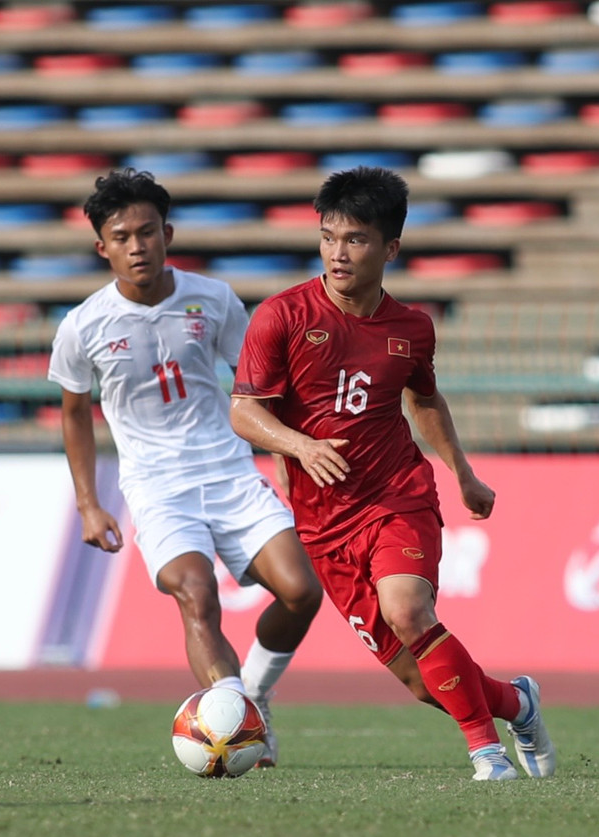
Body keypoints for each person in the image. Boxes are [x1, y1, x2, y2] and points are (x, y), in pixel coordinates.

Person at [229, 166, 555, 781]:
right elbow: (245, 412)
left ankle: (487, 756)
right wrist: (300, 445)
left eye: (353, 239)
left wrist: (462, 475)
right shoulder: (281, 316)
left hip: (396, 495)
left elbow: (424, 401)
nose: (337, 252)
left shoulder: (411, 329)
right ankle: (519, 703)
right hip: (324, 524)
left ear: (390, 248)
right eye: (328, 237)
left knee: (410, 611)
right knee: (423, 682)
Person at [48, 168, 324, 767]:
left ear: (167, 233)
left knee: (302, 591)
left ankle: (253, 696)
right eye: (121, 237)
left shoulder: (215, 299)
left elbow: (259, 387)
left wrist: (284, 452)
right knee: (196, 596)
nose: (137, 246)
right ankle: (236, 725)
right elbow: (74, 414)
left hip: (228, 471)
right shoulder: (82, 326)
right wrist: (89, 503)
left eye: (147, 232)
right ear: (102, 247)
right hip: (156, 487)